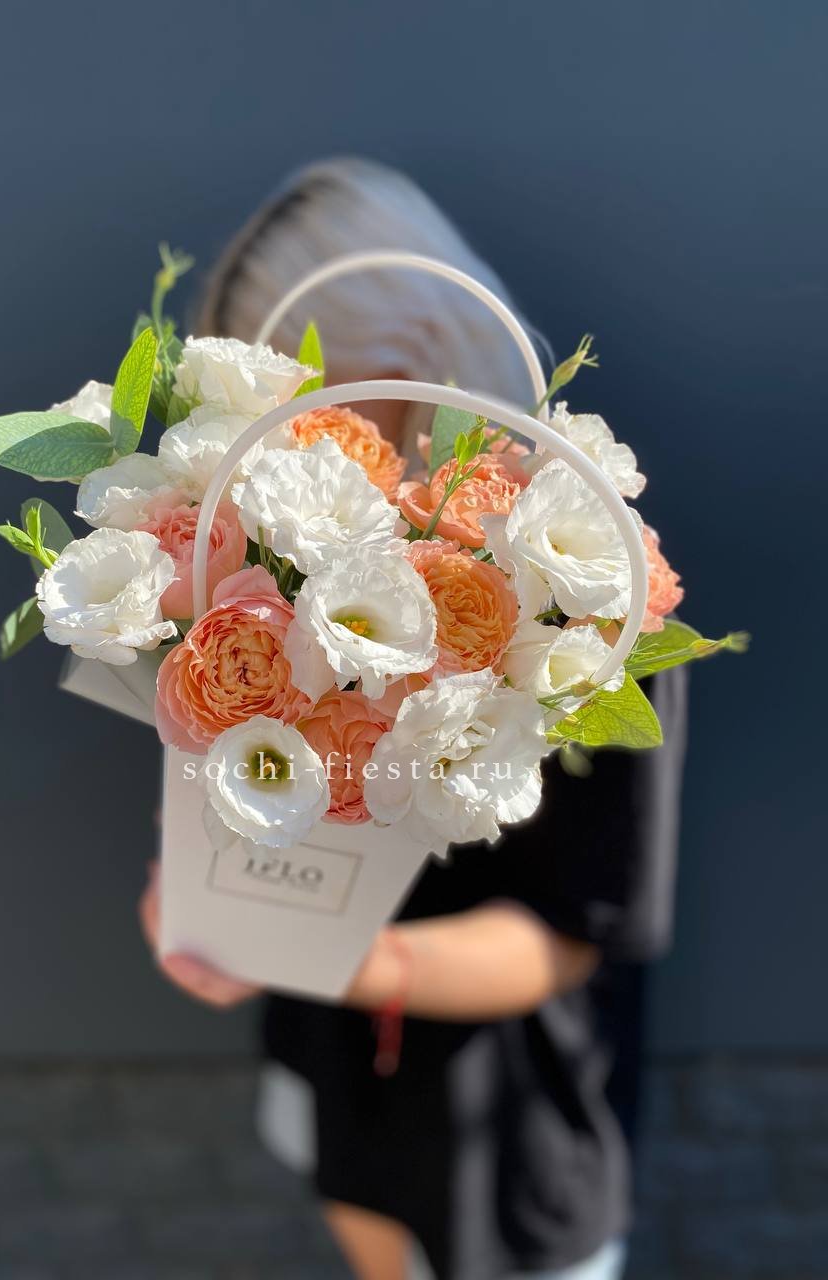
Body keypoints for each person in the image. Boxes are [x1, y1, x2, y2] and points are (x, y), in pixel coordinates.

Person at [139, 157, 688, 1280]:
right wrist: (209, 887)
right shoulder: (279, 562)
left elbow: (576, 929)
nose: (283, 444)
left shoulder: (586, 590)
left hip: (500, 1101)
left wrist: (322, 949)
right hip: (337, 1058)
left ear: (412, 351)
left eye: (306, 400)